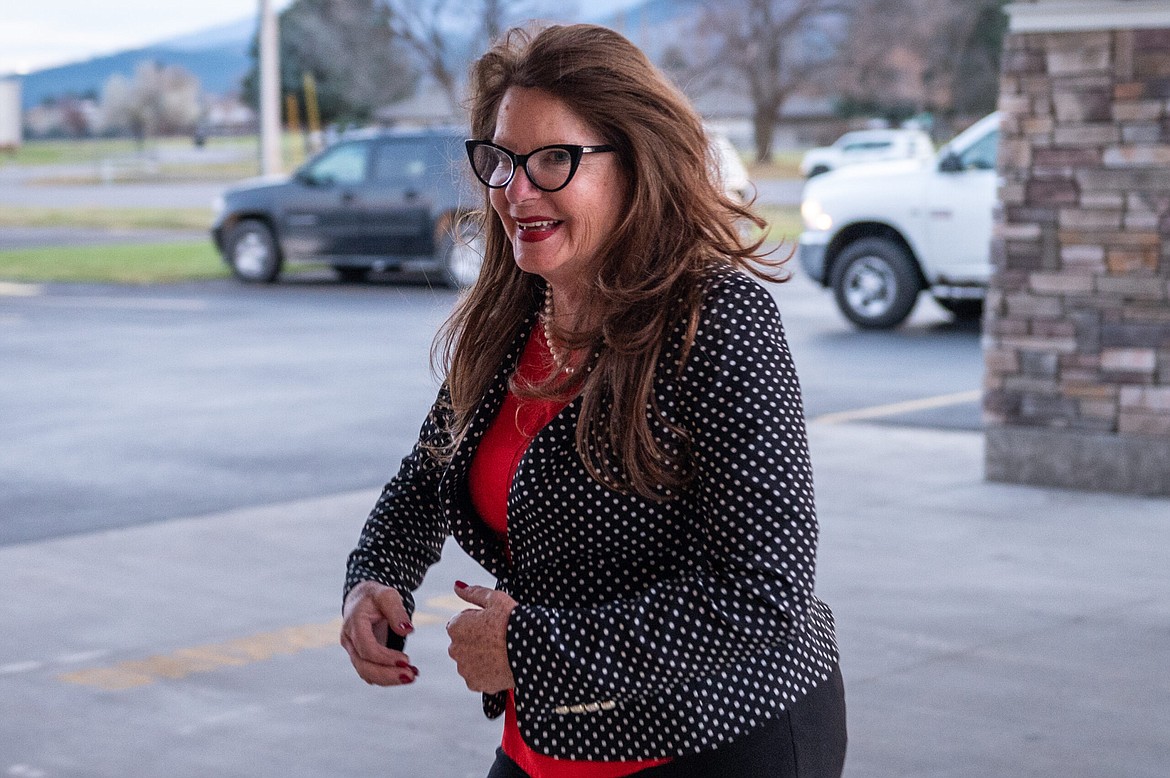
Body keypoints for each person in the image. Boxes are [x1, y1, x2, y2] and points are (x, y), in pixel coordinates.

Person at [341, 23, 846, 778]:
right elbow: (430, 472)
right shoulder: (515, 314)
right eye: (503, 160)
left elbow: (762, 592)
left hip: (716, 739)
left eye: (554, 160)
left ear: (635, 164)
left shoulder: (718, 318)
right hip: (551, 738)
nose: (515, 191)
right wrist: (377, 571)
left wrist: (525, 650)